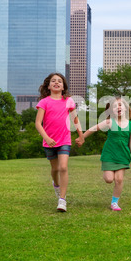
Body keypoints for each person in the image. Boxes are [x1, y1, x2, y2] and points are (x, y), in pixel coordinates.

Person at [76, 97, 131, 211]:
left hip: (123, 156)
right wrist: (82, 137)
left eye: (120, 105)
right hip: (109, 155)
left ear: (125, 108)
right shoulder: (109, 122)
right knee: (109, 179)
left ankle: (114, 202)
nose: (117, 107)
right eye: (114, 106)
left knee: (119, 180)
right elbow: (94, 128)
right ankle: (108, 175)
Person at [35, 73, 84, 212]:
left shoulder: (68, 101)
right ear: (48, 86)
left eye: (60, 81)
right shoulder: (44, 102)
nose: (57, 83)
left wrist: (81, 136)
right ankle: (56, 185)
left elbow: (75, 119)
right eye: (53, 81)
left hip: (64, 140)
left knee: (63, 167)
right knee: (55, 169)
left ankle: (62, 200)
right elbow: (38, 123)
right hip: (49, 141)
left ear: (63, 87)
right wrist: (47, 138)